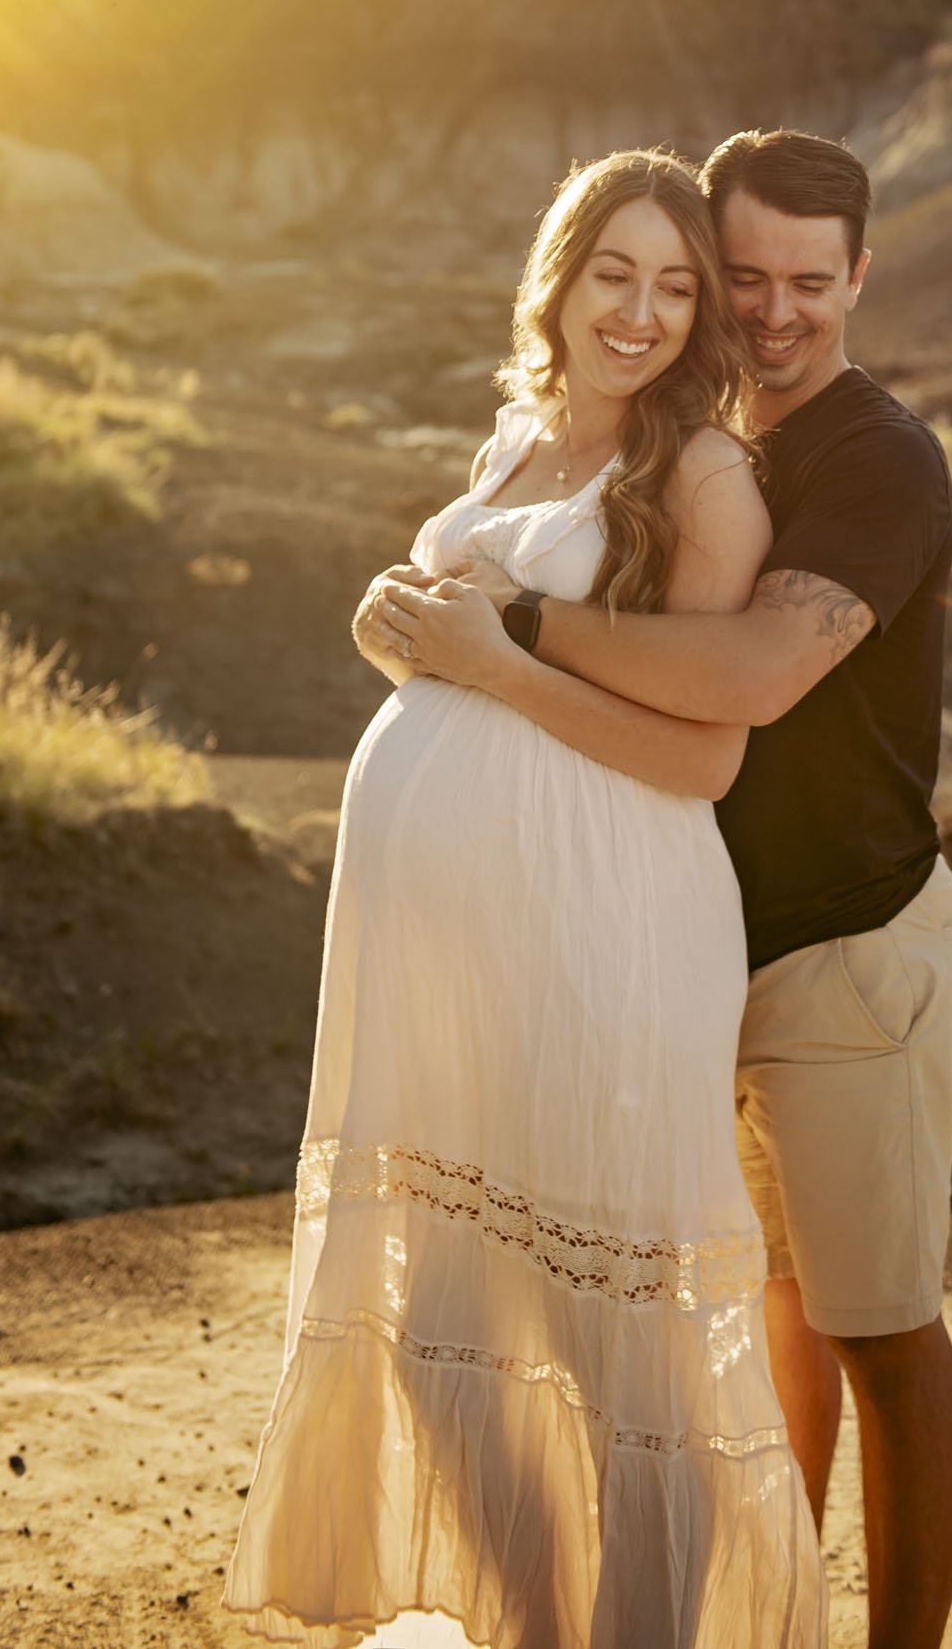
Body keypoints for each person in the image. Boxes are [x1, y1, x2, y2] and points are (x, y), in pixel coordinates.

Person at [221, 148, 828, 1649]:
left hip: (606, 924)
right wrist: (401, 635)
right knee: (444, 1320)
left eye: (678, 288)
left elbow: (701, 755)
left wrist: (491, 664)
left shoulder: (700, 476)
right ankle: (537, 1628)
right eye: (615, 274)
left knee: (618, 1339)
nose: (643, 312)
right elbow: (486, 663)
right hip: (445, 952)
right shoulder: (518, 436)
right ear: (559, 278)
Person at [377, 131, 952, 1649]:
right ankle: (770, 1614)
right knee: (755, 1308)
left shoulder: (874, 458)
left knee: (876, 1326)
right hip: (665, 943)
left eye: (809, 284)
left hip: (842, 947)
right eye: (748, 277)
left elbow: (757, 677)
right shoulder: (677, 432)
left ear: (859, 281)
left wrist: (511, 627)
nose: (777, 312)